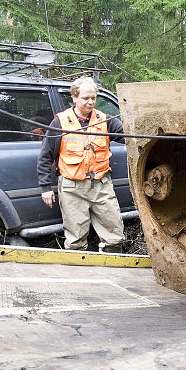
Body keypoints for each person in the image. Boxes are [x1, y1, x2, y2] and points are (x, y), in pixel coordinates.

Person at [37, 76, 126, 253]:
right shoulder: (60, 122)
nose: (90, 102)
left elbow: (129, 137)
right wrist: (45, 187)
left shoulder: (105, 121)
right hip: (72, 188)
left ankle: (112, 271)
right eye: (86, 98)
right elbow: (45, 156)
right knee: (76, 240)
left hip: (101, 186)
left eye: (93, 98)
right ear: (74, 97)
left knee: (115, 236)